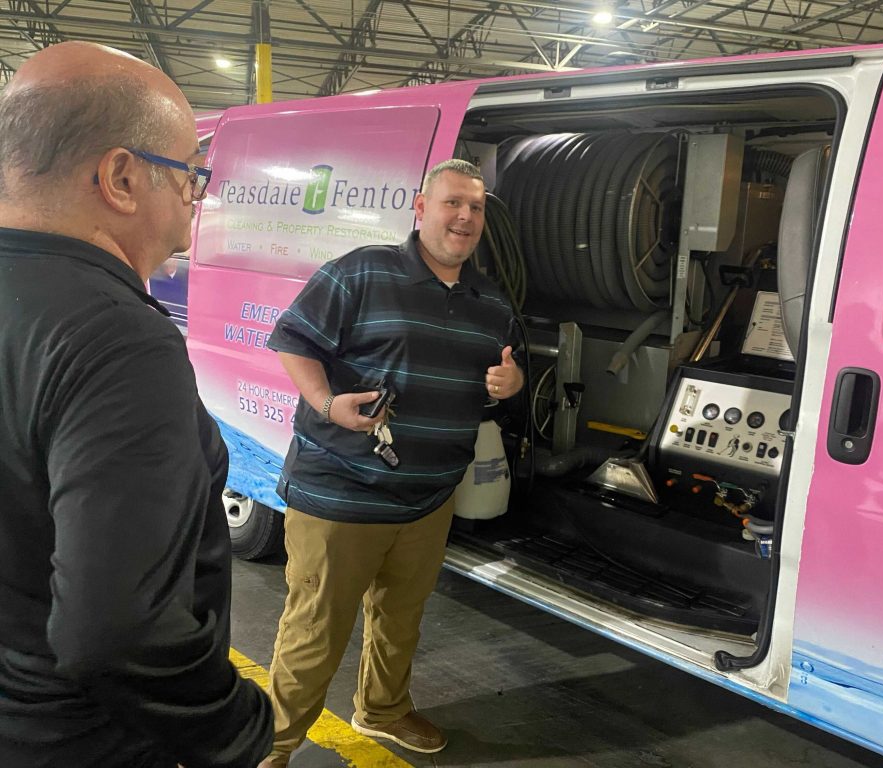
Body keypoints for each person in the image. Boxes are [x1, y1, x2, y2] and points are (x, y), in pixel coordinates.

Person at [0, 42, 273, 767]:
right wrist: (239, 728)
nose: (196, 197)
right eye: (191, 175)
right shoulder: (118, 338)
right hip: (78, 741)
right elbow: (117, 629)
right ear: (122, 177)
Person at [259, 159, 523, 765]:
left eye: (476, 207)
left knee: (400, 619)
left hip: (429, 498)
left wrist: (508, 384)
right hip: (342, 493)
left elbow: (489, 384)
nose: (464, 217)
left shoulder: (490, 303)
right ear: (420, 205)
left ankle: (381, 710)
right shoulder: (362, 272)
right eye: (453, 203)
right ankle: (272, 748)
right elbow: (293, 341)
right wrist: (327, 402)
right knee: (315, 632)